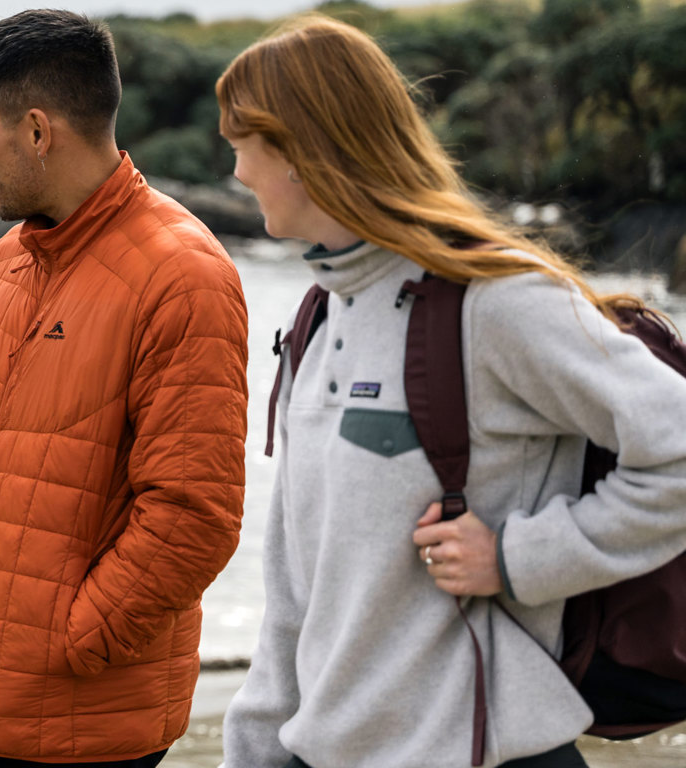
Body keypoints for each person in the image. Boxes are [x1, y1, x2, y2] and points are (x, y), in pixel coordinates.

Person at [217, 15, 686, 768]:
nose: (235, 173)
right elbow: (294, 596)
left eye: (242, 146)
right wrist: (251, 754)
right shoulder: (317, 314)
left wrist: (517, 558)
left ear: (303, 151)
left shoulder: (494, 301)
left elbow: (679, 450)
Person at [0, 10, 249, 767]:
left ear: (39, 132)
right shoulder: (8, 262)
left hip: (76, 721)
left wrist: (71, 640)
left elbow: (194, 516)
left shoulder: (183, 276)